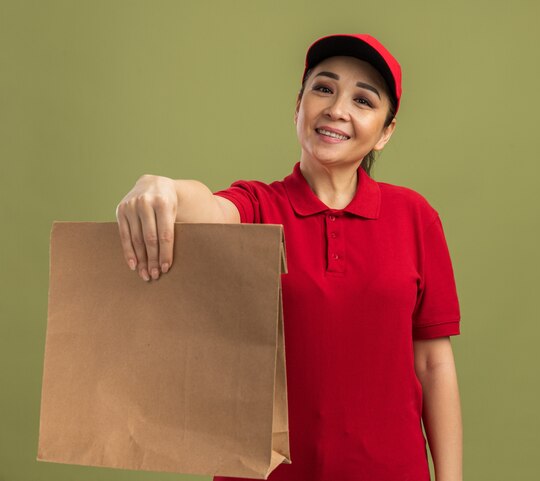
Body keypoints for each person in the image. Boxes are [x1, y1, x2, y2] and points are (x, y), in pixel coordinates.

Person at [116, 34, 463, 481]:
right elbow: (205, 209)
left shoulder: (414, 217)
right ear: (297, 107)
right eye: (323, 88)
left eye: (363, 99)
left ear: (386, 132)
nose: (337, 109)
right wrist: (160, 185)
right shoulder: (259, 206)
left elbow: (434, 365)